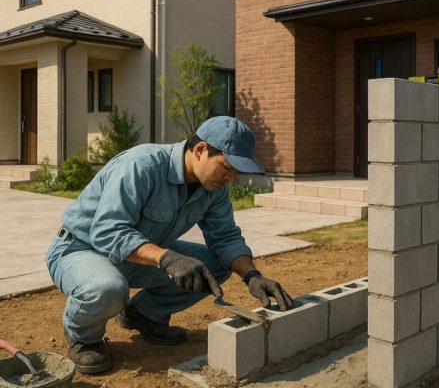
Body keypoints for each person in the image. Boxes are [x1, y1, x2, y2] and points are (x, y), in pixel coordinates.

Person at [45, 116, 293, 374]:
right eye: (227, 167)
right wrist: (168, 258)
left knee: (215, 266)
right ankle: (84, 339)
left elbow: (226, 237)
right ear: (200, 150)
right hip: (80, 250)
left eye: (236, 171)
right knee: (108, 288)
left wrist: (252, 276)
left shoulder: (214, 187)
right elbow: (107, 232)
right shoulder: (140, 166)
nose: (231, 177)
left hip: (136, 256)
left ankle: (143, 314)